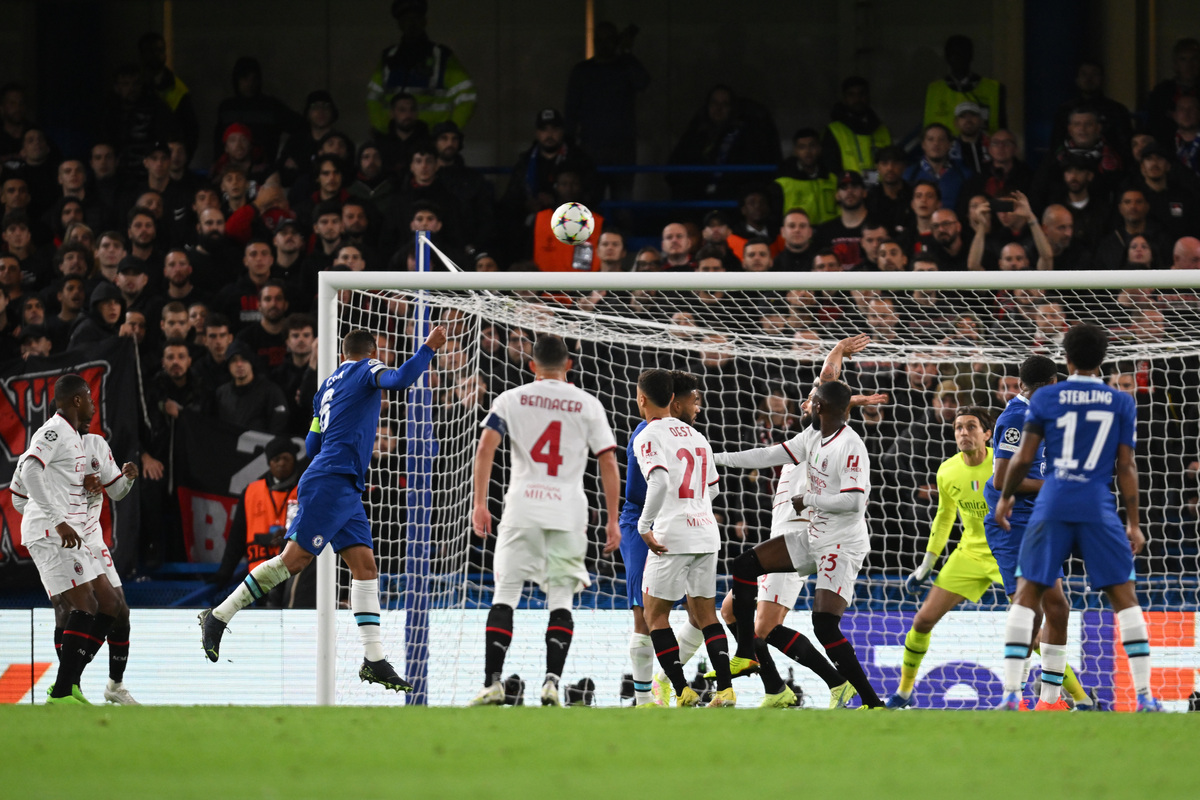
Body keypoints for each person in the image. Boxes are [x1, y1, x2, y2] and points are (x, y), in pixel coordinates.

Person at [201, 325, 447, 694]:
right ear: (372, 350)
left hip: (340, 481)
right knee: (294, 560)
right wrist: (428, 347)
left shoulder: (325, 388)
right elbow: (399, 380)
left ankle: (374, 658)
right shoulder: (368, 370)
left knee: (365, 567)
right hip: (332, 480)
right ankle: (218, 615)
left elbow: (314, 443)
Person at [993, 325, 1163, 712]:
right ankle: (1145, 697)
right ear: (1102, 359)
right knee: (1124, 596)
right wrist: (1133, 521)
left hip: (1052, 502)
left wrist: (1004, 498)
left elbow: (1023, 457)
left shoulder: (1047, 397)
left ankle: (1010, 694)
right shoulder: (1120, 402)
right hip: (1096, 503)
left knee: (1027, 594)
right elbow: (1126, 466)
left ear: (1065, 359)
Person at [715, 337, 884, 708]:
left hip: (827, 538)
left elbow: (855, 501)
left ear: (821, 407)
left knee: (773, 625)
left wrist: (808, 498)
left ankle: (832, 687)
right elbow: (765, 453)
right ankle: (777, 686)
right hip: (800, 536)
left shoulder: (843, 443)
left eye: (812, 400)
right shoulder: (809, 437)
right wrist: (717, 458)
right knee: (733, 607)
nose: (806, 402)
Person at [468, 334, 621, 706]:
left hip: (522, 508)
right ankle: (552, 682)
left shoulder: (511, 398)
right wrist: (613, 519)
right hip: (568, 511)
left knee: (505, 594)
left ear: (532, 364)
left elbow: (485, 447)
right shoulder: (588, 404)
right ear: (569, 364)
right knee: (561, 597)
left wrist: (480, 504)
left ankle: (492, 683)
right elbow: (607, 461)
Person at [980, 354, 1098, 711]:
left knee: (1059, 609)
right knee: (1029, 610)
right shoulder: (1016, 417)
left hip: (1039, 519)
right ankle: (1012, 695)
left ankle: (1049, 701)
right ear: (1049, 384)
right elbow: (1002, 480)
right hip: (1012, 521)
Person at [631, 368, 735, 707]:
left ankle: (682, 690)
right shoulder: (696, 436)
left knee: (655, 614)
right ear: (674, 400)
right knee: (707, 614)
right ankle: (725, 690)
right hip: (706, 531)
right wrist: (694, 506)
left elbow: (658, 481)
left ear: (642, 398)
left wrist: (645, 526)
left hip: (671, 535)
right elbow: (715, 488)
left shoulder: (647, 434)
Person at [886, 407, 999, 707]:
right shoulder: (947, 470)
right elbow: (944, 517)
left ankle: (1077, 697)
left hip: (1008, 553)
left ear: (987, 434)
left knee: (1032, 634)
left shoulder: (1004, 465)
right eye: (958, 427)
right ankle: (904, 693)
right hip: (969, 554)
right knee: (922, 621)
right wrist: (926, 565)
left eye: (971, 427)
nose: (963, 432)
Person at [13, 375, 115, 703]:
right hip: (49, 533)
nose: (92, 405)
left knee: (87, 605)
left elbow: (27, 492)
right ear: (76, 400)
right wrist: (57, 520)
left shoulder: (71, 437)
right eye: (89, 399)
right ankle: (62, 692)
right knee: (84, 604)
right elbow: (28, 471)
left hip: (58, 533)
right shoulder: (54, 431)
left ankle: (67, 687)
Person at [620, 371, 711, 706]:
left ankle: (662, 680)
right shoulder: (648, 434)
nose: (698, 406)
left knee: (700, 616)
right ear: (674, 400)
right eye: (694, 399)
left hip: (679, 524)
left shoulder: (685, 434)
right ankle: (644, 703)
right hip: (645, 524)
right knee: (644, 616)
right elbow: (642, 489)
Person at [563, 21, 650, 203]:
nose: (604, 44)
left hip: (622, 149)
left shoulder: (624, 67)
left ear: (616, 41)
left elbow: (642, 82)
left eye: (609, 39)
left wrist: (626, 53)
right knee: (591, 204)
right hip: (590, 149)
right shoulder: (582, 71)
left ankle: (622, 233)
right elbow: (571, 110)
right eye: (600, 39)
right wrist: (570, 148)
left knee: (623, 204)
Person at [367, 0, 476, 134]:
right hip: (394, 140)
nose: (411, 24)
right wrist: (381, 129)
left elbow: (467, 96)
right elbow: (373, 97)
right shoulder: (388, 57)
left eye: (416, 19)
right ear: (400, 24)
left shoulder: (442, 57)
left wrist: (446, 135)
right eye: (406, 19)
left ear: (425, 21)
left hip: (429, 142)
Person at [214, 436, 303, 598]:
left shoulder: (306, 489)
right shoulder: (251, 492)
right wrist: (225, 573)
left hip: (295, 574)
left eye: (286, 458)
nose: (281, 463)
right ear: (269, 463)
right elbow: (236, 537)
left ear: (294, 460)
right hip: (260, 576)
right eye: (276, 459)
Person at [924, 34, 1006, 133]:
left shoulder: (993, 89)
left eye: (963, 53)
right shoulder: (934, 90)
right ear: (947, 57)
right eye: (954, 54)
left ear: (971, 56)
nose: (958, 58)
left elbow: (1002, 132)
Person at [823, 76, 892, 184]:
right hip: (849, 195)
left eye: (861, 94)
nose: (857, 99)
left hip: (880, 193)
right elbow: (831, 170)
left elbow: (893, 164)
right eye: (851, 95)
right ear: (845, 98)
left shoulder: (882, 130)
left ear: (868, 96)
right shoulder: (834, 131)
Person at [775, 128, 839, 226]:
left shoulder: (832, 179)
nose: (808, 151)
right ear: (795, 151)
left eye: (812, 146)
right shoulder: (783, 182)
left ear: (819, 148)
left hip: (830, 236)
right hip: (799, 237)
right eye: (802, 147)